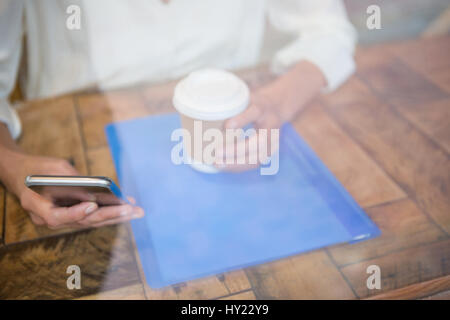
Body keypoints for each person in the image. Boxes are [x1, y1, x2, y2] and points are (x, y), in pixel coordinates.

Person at [0, 0, 357, 229]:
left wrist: (277, 103)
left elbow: (328, 32)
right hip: (69, 131)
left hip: (234, 139)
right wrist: (12, 166)